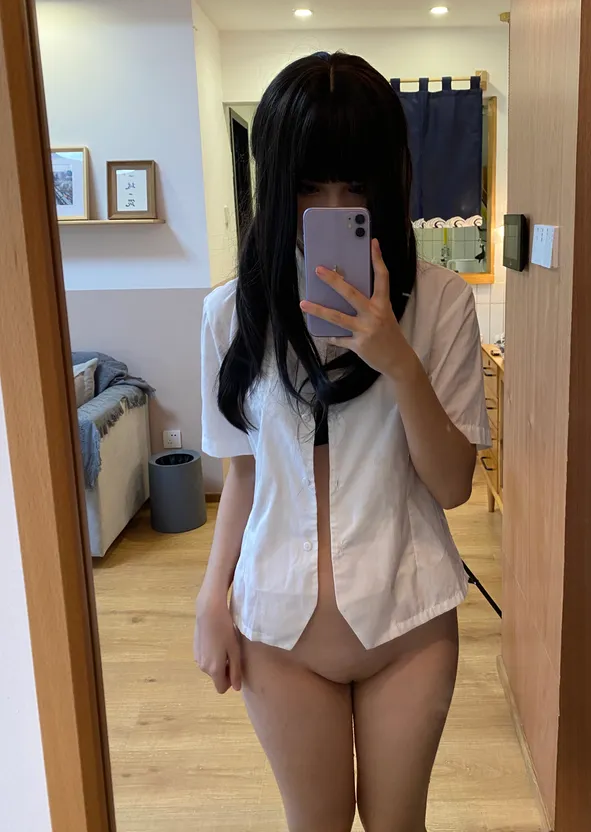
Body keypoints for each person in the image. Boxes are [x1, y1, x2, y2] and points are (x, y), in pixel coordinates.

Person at [195, 51, 490, 832]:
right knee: (314, 823)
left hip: (408, 617)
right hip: (277, 626)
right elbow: (244, 475)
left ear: (388, 182)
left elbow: (453, 485)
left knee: (398, 824)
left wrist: (398, 361)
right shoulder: (230, 315)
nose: (332, 206)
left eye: (355, 185)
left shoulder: (441, 303)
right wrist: (210, 598)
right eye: (308, 185)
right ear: (273, 181)